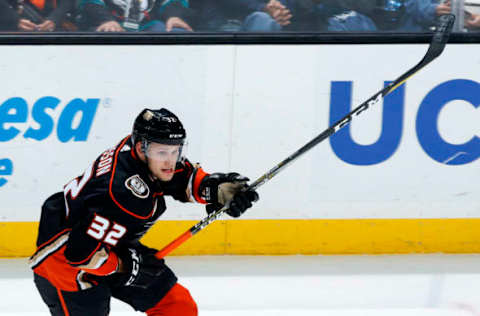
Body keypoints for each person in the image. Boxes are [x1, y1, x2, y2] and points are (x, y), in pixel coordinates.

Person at [29, 108, 259, 315]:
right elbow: (82, 255)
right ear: (142, 148)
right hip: (66, 266)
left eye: (175, 151)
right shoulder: (123, 192)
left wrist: (216, 189)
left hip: (109, 244)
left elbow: (178, 177)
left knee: (177, 306)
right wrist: (128, 266)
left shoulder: (139, 152)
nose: (171, 161)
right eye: (162, 153)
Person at [0, 0, 75, 31]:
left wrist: (55, 18)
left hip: (54, 31)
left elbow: (68, 2)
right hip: (10, 34)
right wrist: (13, 19)